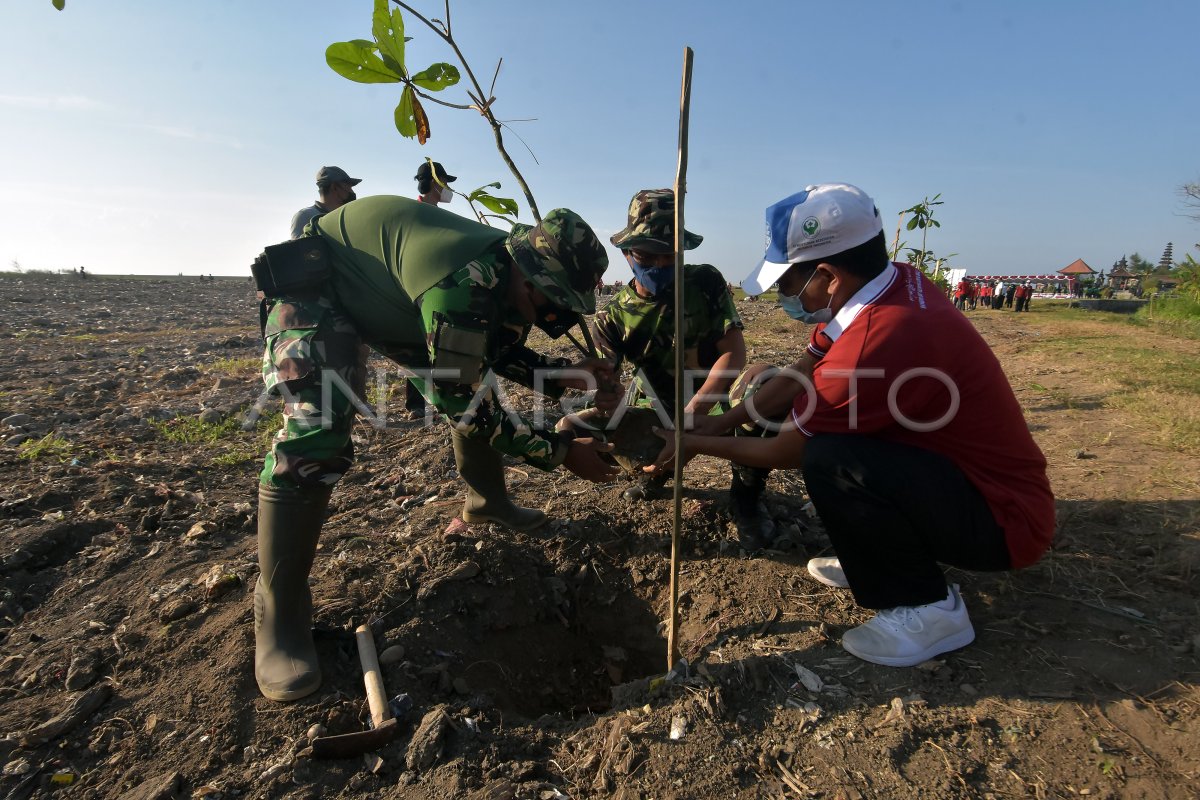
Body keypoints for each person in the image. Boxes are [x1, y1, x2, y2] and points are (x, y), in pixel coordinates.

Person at [648, 183, 1055, 668]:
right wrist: (721, 425)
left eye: (787, 281)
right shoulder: (884, 287)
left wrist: (694, 443)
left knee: (829, 456)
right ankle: (878, 554)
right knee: (794, 408)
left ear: (828, 275)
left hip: (1002, 522)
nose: (782, 294)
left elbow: (791, 452)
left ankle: (929, 610)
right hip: (955, 482)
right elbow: (799, 373)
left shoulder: (876, 341)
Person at [253, 196, 622, 701]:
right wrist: (560, 454)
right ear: (524, 267)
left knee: (471, 373)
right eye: (545, 298)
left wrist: (572, 377)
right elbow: (457, 401)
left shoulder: (503, 274)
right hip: (319, 289)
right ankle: (279, 614)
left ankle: (487, 504)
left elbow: (498, 352)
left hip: (389, 296)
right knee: (317, 435)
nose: (549, 313)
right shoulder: (463, 283)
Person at [559, 188, 774, 548]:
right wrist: (604, 391)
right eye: (647, 256)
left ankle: (747, 497)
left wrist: (693, 413)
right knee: (571, 424)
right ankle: (654, 473)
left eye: (668, 256)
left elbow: (733, 352)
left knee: (766, 389)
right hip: (655, 409)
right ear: (627, 254)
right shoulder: (612, 315)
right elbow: (608, 377)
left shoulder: (703, 282)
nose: (659, 266)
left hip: (712, 404)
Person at [289, 166, 361, 240]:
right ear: (335, 187)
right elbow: (300, 249)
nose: (352, 192)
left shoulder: (347, 216)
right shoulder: (304, 216)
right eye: (349, 187)